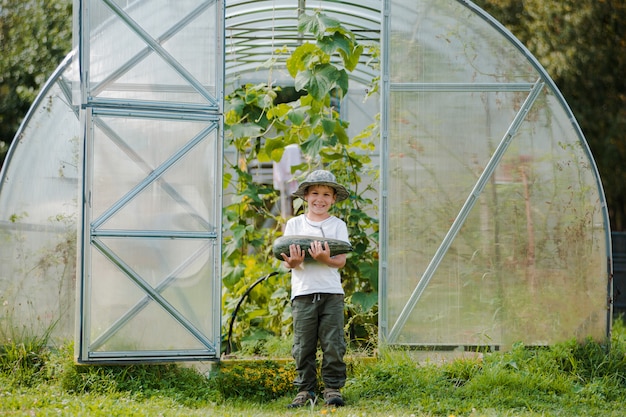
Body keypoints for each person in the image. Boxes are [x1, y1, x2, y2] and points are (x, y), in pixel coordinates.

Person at [280, 169, 350, 408]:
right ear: (306, 196)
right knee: (303, 344)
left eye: (326, 194)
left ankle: (332, 389)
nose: (320, 199)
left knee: (333, 343)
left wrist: (325, 260)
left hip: (332, 293)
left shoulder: (338, 226)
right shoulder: (294, 224)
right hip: (302, 293)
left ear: (333, 199)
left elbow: (340, 261)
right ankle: (305, 390)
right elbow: (288, 261)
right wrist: (294, 262)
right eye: (315, 193)